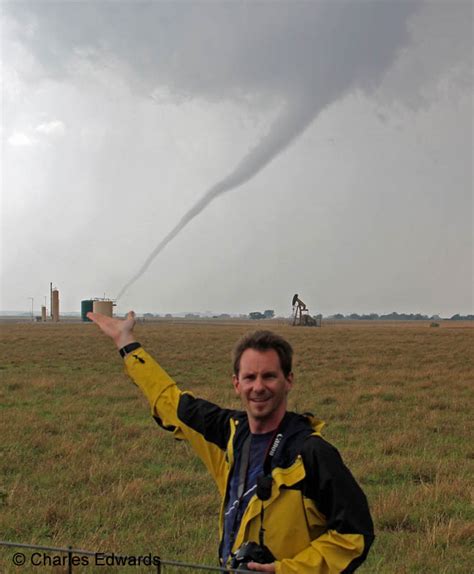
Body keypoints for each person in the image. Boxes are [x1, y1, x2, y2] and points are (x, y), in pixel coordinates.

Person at [88, 310, 374, 573]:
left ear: (289, 381)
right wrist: (125, 341)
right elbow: (169, 401)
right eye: (250, 377)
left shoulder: (312, 453)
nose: (258, 387)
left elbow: (355, 535)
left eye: (269, 376)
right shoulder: (226, 433)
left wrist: (288, 570)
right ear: (236, 383)